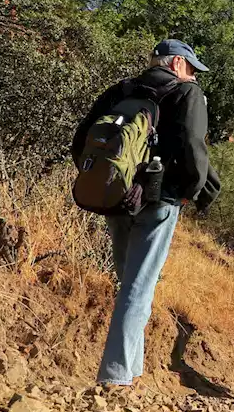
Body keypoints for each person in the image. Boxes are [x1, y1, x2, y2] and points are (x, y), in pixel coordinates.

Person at [72, 39, 221, 388]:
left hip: (118, 198)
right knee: (139, 288)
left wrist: (110, 180)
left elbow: (81, 141)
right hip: (159, 201)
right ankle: (116, 377)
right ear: (176, 65)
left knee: (130, 285)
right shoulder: (187, 95)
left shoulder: (120, 90)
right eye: (192, 70)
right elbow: (192, 148)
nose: (194, 77)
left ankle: (131, 371)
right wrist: (187, 194)